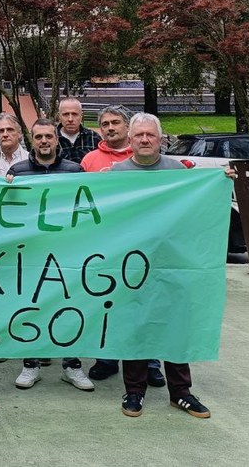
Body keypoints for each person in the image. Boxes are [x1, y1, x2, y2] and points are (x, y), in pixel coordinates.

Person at [112, 112, 213, 419]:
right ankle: (134, 391)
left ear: (160, 139)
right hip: (133, 266)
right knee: (137, 326)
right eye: (139, 135)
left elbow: (199, 207)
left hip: (173, 264)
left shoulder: (178, 171)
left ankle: (180, 392)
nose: (144, 139)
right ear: (129, 141)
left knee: (175, 327)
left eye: (150, 135)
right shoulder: (115, 173)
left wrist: (221, 182)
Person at [6, 118, 94, 394]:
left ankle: (71, 364)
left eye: (48, 136)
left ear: (56, 140)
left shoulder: (74, 170)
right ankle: (31, 362)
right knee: (30, 306)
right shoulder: (17, 172)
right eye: (38, 137)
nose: (44, 141)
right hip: (31, 253)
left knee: (69, 306)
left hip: (66, 251)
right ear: (31, 140)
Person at [81, 105, 164, 387]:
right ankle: (108, 358)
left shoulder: (159, 164)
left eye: (116, 122)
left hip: (153, 250)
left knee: (148, 307)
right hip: (112, 248)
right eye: (105, 123)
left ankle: (151, 362)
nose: (110, 127)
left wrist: (219, 178)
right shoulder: (94, 163)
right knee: (112, 305)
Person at [0, 112, 29, 177]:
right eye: (1, 131)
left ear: (19, 134)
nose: (5, 134)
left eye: (10, 130)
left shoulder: (32, 161)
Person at [55, 97, 100, 165]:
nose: (70, 119)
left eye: (75, 114)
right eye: (66, 114)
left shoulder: (94, 137)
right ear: (59, 116)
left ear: (81, 115)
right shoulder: (51, 138)